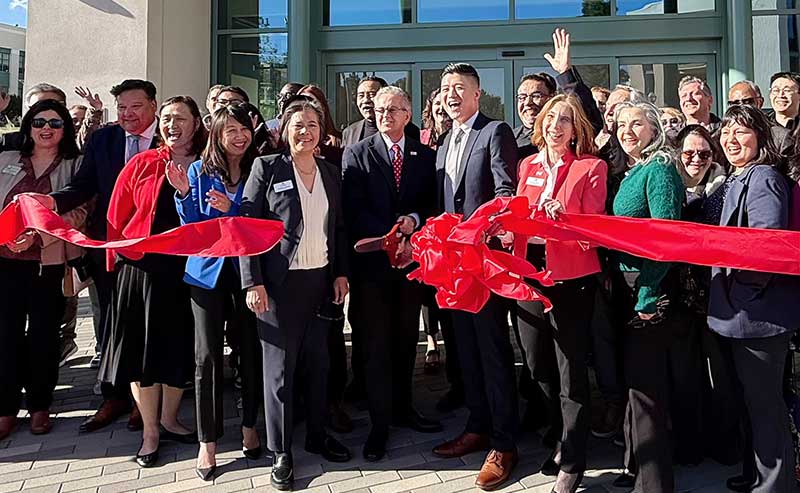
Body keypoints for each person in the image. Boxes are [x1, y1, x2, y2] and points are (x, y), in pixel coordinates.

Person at [27, 79, 162, 434]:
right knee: (108, 322)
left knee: (147, 323)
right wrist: (53, 202)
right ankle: (113, 395)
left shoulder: (169, 139)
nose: (128, 115)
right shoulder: (105, 139)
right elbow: (84, 186)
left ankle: (144, 401)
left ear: (153, 105)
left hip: (156, 250)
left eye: (135, 106)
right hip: (108, 248)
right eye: (122, 108)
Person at [239, 99, 352, 491]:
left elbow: (337, 229)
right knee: (280, 372)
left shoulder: (330, 172)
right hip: (278, 287)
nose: (306, 131)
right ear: (285, 130)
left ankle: (318, 435)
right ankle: (281, 451)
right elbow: (247, 227)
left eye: (313, 125)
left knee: (320, 365)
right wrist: (252, 282)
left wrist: (340, 274)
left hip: (320, 282)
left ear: (322, 131)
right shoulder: (267, 168)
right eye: (298, 125)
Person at [511, 94, 607, 493]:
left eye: (565, 120)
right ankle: (559, 433)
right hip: (529, 275)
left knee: (571, 373)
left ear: (576, 129)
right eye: (551, 118)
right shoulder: (527, 164)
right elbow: (518, 215)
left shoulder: (591, 167)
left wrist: (564, 219)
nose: (555, 125)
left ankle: (573, 460)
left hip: (571, 279)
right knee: (536, 365)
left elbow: (596, 229)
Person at [102, 95, 204, 468]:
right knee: (143, 352)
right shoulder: (143, 163)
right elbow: (116, 216)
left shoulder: (208, 164)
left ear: (196, 123)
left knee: (179, 347)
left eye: (180, 118)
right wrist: (113, 262)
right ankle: (149, 432)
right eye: (165, 119)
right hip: (142, 271)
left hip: (187, 270)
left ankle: (171, 418)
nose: (172, 125)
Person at [430, 62, 518, 491]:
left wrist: (480, 229)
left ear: (477, 94)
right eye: (446, 88)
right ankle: (477, 426)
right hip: (453, 269)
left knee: (492, 351)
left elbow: (505, 193)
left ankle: (504, 443)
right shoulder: (445, 141)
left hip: (484, 264)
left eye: (459, 88)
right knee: (464, 351)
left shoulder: (495, 132)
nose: (451, 94)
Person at [342, 85, 441, 462]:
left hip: (411, 264)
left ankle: (405, 408)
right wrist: (391, 232)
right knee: (376, 344)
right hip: (374, 267)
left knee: (405, 339)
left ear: (408, 113)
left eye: (394, 109)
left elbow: (430, 203)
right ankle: (379, 422)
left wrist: (413, 222)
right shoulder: (357, 154)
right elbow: (353, 208)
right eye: (381, 108)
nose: (385, 114)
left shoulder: (424, 155)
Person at [169, 102, 262, 481]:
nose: (239, 137)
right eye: (231, 131)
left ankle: (250, 426)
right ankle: (208, 441)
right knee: (206, 356)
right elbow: (192, 224)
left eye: (244, 130)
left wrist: (234, 207)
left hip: (248, 273)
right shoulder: (199, 170)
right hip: (206, 273)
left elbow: (265, 218)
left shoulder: (262, 166)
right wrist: (183, 193)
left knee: (251, 350)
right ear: (218, 135)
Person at [708, 105, 798, 493]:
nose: (731, 139)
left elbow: (765, 249)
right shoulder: (738, 177)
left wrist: (740, 296)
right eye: (726, 131)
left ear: (761, 137)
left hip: (757, 316)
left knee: (766, 410)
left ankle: (775, 486)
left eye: (741, 132)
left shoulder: (762, 179)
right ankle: (756, 474)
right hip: (739, 313)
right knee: (753, 405)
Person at [0, 100, 86, 440]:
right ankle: (5, 408)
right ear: (27, 127)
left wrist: (40, 234)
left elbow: (81, 210)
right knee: (4, 336)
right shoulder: (6, 159)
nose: (46, 128)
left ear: (65, 129)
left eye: (55, 122)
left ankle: (39, 405)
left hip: (47, 265)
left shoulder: (75, 165)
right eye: (38, 122)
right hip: (5, 263)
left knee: (43, 336)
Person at [609, 100, 683, 492]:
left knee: (647, 391)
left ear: (654, 129)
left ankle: (655, 485)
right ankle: (638, 470)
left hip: (649, 290)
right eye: (622, 124)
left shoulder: (660, 170)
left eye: (637, 124)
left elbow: (665, 240)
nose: (627, 130)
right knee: (635, 387)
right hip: (628, 287)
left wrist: (649, 296)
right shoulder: (635, 170)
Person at [669, 125, 729, 467]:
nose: (695, 160)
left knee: (719, 374)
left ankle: (724, 445)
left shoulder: (724, 187)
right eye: (688, 153)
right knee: (684, 374)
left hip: (715, 294)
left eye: (703, 153)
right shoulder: (669, 185)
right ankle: (689, 445)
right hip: (678, 294)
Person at [419, 86, 454, 383]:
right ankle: (431, 340)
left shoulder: (461, 138)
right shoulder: (423, 141)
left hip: (453, 232)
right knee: (430, 294)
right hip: (429, 230)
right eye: (438, 110)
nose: (443, 115)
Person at [341, 76, 420, 148]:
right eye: (361, 95)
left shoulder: (408, 130)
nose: (366, 100)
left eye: (372, 94)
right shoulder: (350, 132)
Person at [728, 79, 793, 155]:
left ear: (760, 102)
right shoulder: (722, 136)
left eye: (747, 102)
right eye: (735, 103)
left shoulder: (780, 136)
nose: (742, 107)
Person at [514, 72, 557, 150]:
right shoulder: (509, 137)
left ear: (552, 98)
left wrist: (566, 74)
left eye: (536, 96)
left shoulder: (561, 135)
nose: (527, 103)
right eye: (522, 97)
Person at [299, 84, 343, 149]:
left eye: (312, 102)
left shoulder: (338, 141)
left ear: (323, 107)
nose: (306, 107)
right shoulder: (289, 139)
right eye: (301, 102)